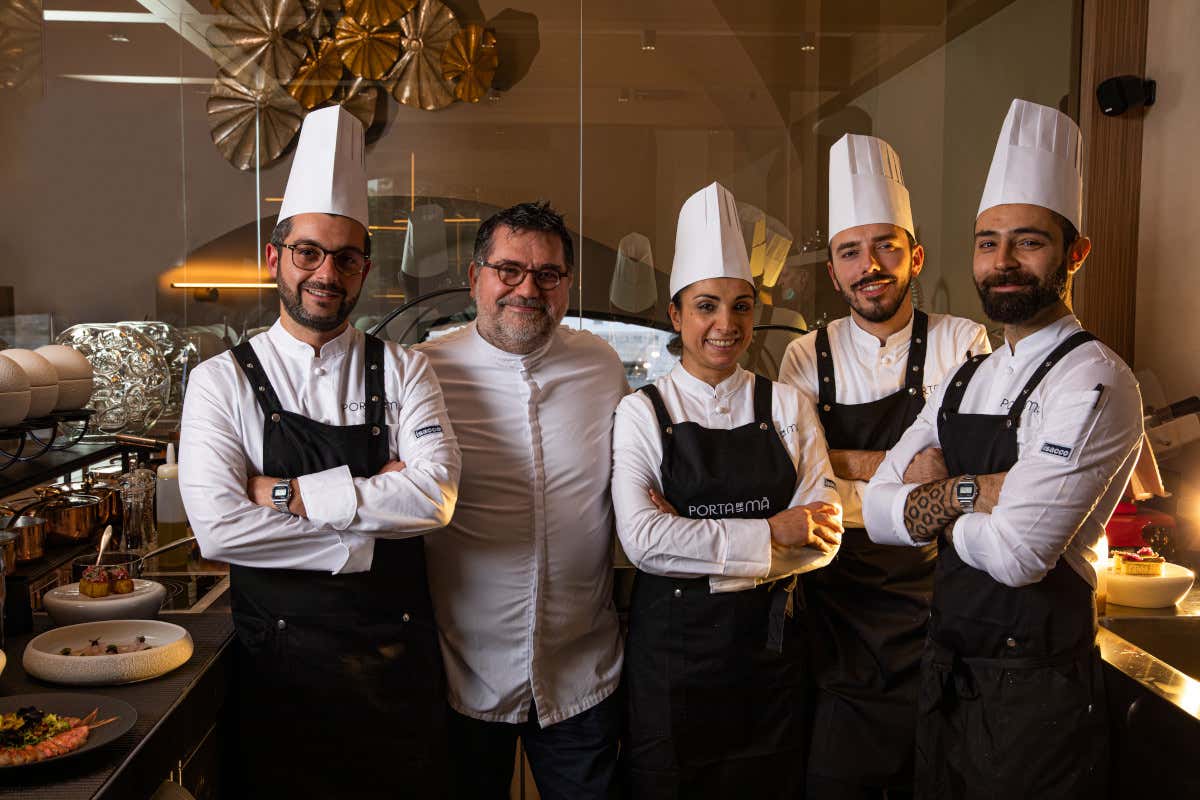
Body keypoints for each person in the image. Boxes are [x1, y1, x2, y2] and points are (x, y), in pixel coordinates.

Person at [863, 99, 1144, 798]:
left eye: (1029, 241)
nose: (1004, 262)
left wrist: (935, 497)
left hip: (1038, 695)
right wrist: (976, 490)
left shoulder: (1095, 379)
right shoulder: (967, 374)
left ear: (1075, 253)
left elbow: (1020, 556)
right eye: (988, 243)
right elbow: (876, 514)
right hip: (947, 669)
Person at [179, 107, 461, 798]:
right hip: (278, 673)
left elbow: (435, 496)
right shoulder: (220, 380)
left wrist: (281, 493)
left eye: (345, 257)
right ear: (276, 258)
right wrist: (363, 539)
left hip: (397, 670)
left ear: (364, 269)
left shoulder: (405, 369)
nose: (325, 272)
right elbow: (218, 526)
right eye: (309, 252)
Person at [613, 181, 844, 799]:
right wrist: (774, 533)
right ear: (676, 315)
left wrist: (690, 542)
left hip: (768, 662)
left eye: (741, 307)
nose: (725, 324)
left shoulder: (788, 404)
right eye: (707, 306)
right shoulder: (642, 412)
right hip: (671, 669)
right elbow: (642, 542)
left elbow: (823, 541)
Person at [777, 134, 989, 799]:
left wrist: (845, 466)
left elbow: (967, 475)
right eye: (850, 253)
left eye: (885, 246)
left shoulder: (963, 340)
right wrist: (904, 470)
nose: (869, 266)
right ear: (834, 271)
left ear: (914, 255)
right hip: (841, 618)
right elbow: (802, 482)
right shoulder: (804, 356)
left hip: (940, 610)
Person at [413, 202, 627, 799]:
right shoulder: (424, 371)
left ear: (566, 284)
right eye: (508, 270)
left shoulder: (602, 366)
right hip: (462, 670)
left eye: (548, 275)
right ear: (475, 276)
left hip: (582, 668)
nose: (526, 289)